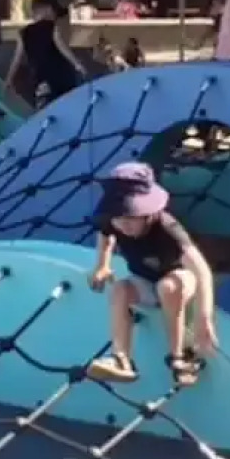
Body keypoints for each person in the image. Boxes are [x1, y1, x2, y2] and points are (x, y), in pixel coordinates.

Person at [87, 162, 219, 388]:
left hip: (179, 278)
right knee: (119, 290)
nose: (123, 225)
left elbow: (201, 270)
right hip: (144, 281)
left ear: (147, 213)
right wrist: (102, 265)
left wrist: (204, 317)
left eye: (130, 218)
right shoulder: (113, 220)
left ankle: (179, 356)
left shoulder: (167, 227)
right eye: (119, 219)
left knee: (168, 287)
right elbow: (105, 235)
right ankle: (121, 358)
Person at [4, 0, 86, 107]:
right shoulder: (52, 28)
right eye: (55, 13)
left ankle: (42, 98)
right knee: (65, 106)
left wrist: (9, 79)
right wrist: (77, 64)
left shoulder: (23, 33)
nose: (55, 17)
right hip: (61, 78)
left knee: (44, 108)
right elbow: (63, 48)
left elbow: (16, 59)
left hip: (40, 79)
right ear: (47, 9)